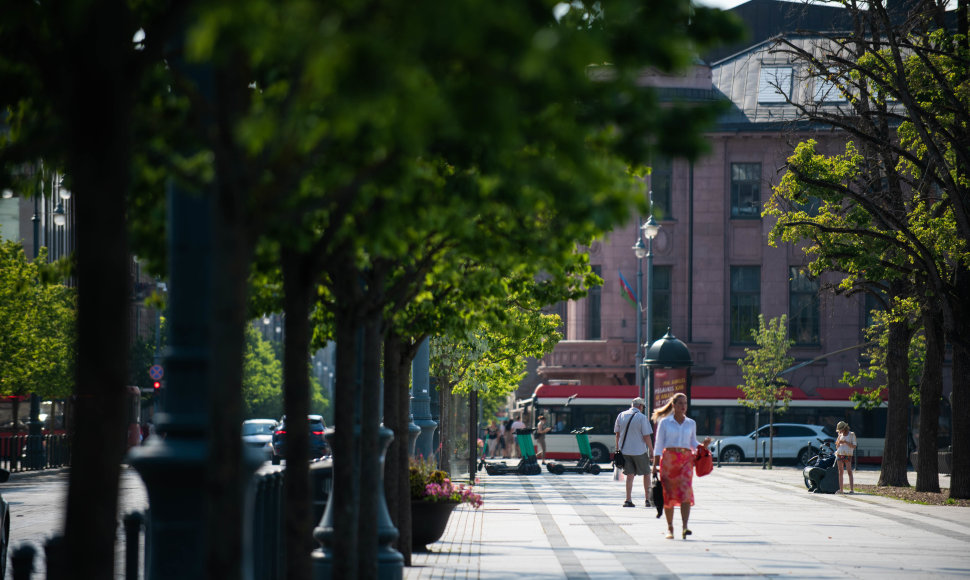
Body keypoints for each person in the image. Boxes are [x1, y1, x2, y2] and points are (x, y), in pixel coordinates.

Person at [652, 392, 710, 539]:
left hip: (685, 460)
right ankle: (670, 528)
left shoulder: (691, 423)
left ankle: (685, 527)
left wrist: (703, 445)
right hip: (669, 461)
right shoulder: (665, 422)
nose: (683, 406)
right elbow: (658, 445)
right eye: (680, 403)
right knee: (669, 494)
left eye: (685, 403)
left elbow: (692, 443)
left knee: (686, 493)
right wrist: (654, 465)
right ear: (674, 405)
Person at [614, 397, 654, 508]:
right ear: (640, 406)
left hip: (625, 451)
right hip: (639, 451)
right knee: (646, 474)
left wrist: (618, 449)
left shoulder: (621, 415)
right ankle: (647, 500)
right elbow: (646, 436)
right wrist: (651, 450)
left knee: (630, 475)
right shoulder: (642, 417)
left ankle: (628, 500)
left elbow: (617, 434)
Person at [835, 421, 857, 494]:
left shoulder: (851, 434)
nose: (840, 431)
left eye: (841, 429)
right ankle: (841, 489)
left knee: (849, 471)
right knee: (840, 471)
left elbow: (854, 446)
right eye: (840, 430)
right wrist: (838, 443)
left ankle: (851, 489)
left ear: (845, 428)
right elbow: (837, 446)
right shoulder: (840, 435)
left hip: (847, 454)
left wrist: (845, 442)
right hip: (840, 454)